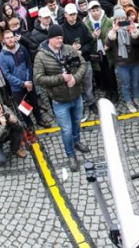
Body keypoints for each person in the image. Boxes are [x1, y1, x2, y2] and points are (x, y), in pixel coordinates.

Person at [34, 24, 89, 171]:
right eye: (57, 38)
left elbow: (83, 64)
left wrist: (75, 79)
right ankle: (71, 155)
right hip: (59, 100)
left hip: (76, 95)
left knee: (77, 122)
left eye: (61, 38)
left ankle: (76, 142)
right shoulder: (41, 56)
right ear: (50, 38)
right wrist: (61, 78)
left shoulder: (69, 49)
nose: (60, 41)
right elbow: (38, 78)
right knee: (66, 129)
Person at [106, 9, 139, 113]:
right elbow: (108, 44)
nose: (121, 20)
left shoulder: (131, 28)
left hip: (134, 61)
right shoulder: (112, 30)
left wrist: (133, 31)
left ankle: (136, 99)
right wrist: (114, 30)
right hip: (122, 64)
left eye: (123, 18)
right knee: (125, 84)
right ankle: (128, 101)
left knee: (135, 83)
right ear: (115, 20)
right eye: (118, 19)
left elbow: (137, 43)